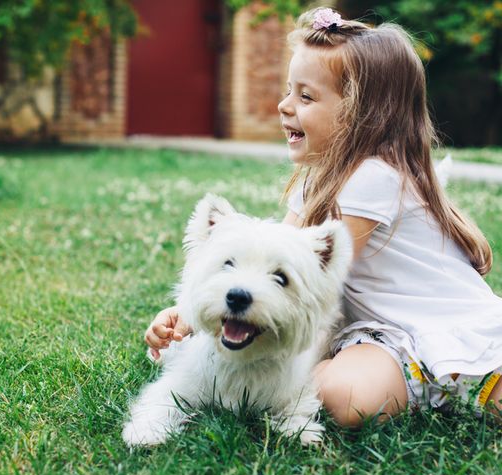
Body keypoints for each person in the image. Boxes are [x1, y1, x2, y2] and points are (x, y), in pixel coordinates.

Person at [144, 6, 502, 426]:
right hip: (385, 339)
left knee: (341, 394)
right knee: (340, 398)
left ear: (360, 115)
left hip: (447, 329)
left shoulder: (376, 177)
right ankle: (412, 389)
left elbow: (312, 290)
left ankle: (446, 388)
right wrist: (186, 317)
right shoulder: (311, 183)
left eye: (306, 96)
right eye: (289, 90)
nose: (284, 105)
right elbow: (271, 266)